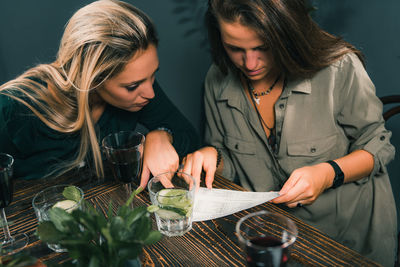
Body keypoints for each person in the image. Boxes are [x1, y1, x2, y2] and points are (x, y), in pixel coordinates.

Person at [181, 0, 397, 265]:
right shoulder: (217, 78)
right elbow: (229, 160)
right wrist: (211, 156)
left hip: (348, 241)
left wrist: (327, 174)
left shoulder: (339, 68)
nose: (249, 63)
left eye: (263, 47)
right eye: (234, 48)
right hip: (271, 238)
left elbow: (378, 146)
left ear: (288, 34)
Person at [0, 0, 199, 184]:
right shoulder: (12, 109)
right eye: (131, 86)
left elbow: (190, 138)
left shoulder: (141, 88)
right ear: (93, 79)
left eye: (153, 75)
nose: (150, 93)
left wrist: (162, 135)